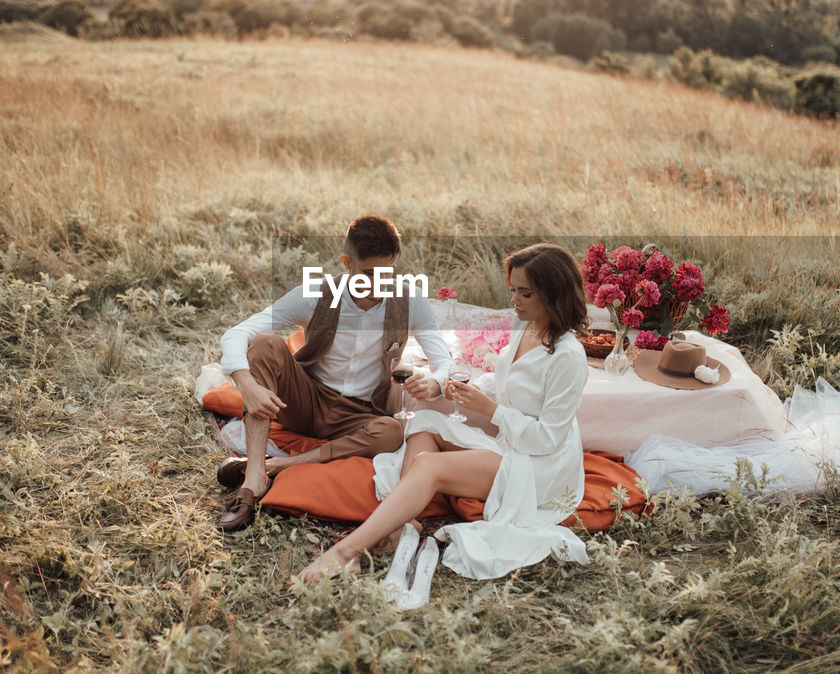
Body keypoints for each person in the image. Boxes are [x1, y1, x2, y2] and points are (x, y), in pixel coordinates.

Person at [297, 242, 591, 581]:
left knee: (428, 466)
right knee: (423, 421)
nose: (514, 302)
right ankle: (400, 521)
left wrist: (491, 410)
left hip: (539, 466)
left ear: (554, 295)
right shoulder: (525, 324)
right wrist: (472, 391)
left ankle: (346, 551)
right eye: (513, 290)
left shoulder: (568, 357)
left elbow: (549, 439)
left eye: (525, 294)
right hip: (514, 440)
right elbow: (511, 381)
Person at [216, 215, 455, 533]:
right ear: (347, 262)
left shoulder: (410, 302)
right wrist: (246, 385)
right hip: (306, 402)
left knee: (392, 433)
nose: (380, 283)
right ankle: (252, 479)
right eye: (370, 273)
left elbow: (445, 361)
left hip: (362, 415)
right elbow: (238, 333)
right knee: (264, 344)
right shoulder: (314, 294)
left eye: (388, 273)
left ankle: (276, 466)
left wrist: (435, 382)